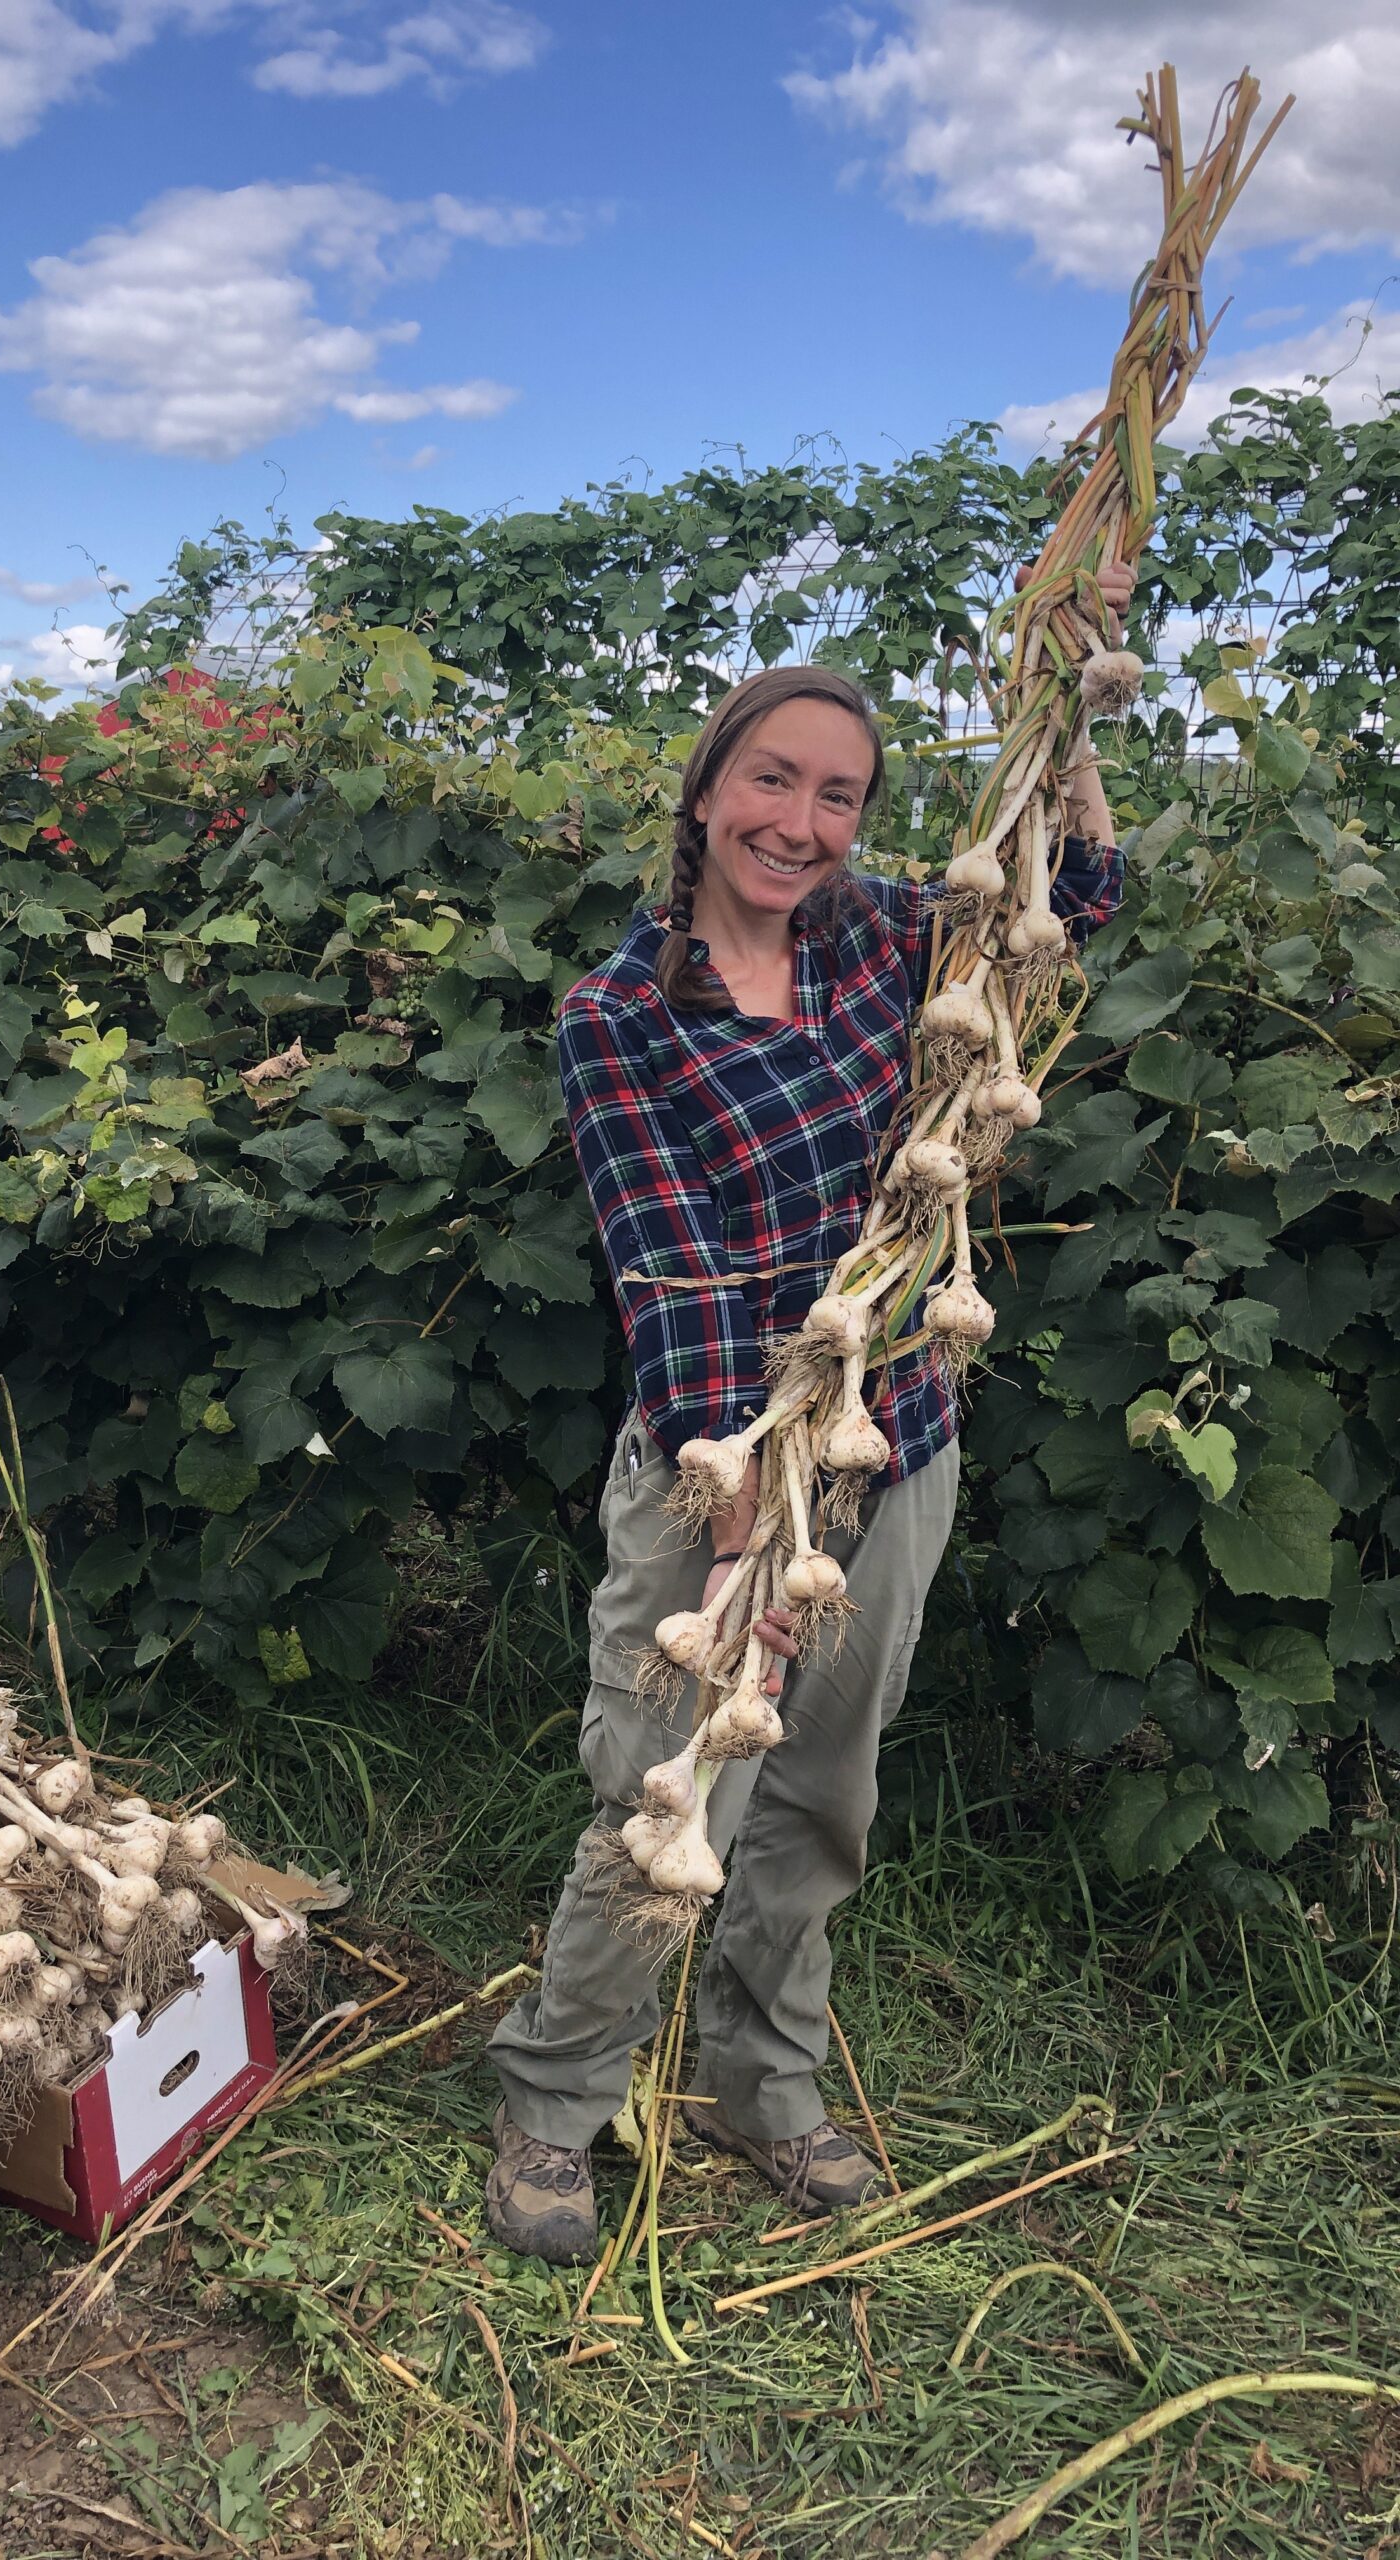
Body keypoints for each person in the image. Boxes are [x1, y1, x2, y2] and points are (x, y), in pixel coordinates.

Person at [484, 582, 1132, 2263]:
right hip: (725, 1460)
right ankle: (557, 2096)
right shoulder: (619, 1016)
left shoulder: (880, 938)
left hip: (897, 1437)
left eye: (838, 795)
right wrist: (742, 1526)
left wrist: (1069, 707)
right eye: (772, 782)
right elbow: (669, 1277)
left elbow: (1077, 906)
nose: (802, 822)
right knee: (657, 1785)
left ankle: (762, 2085)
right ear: (706, 792)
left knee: (822, 1789)